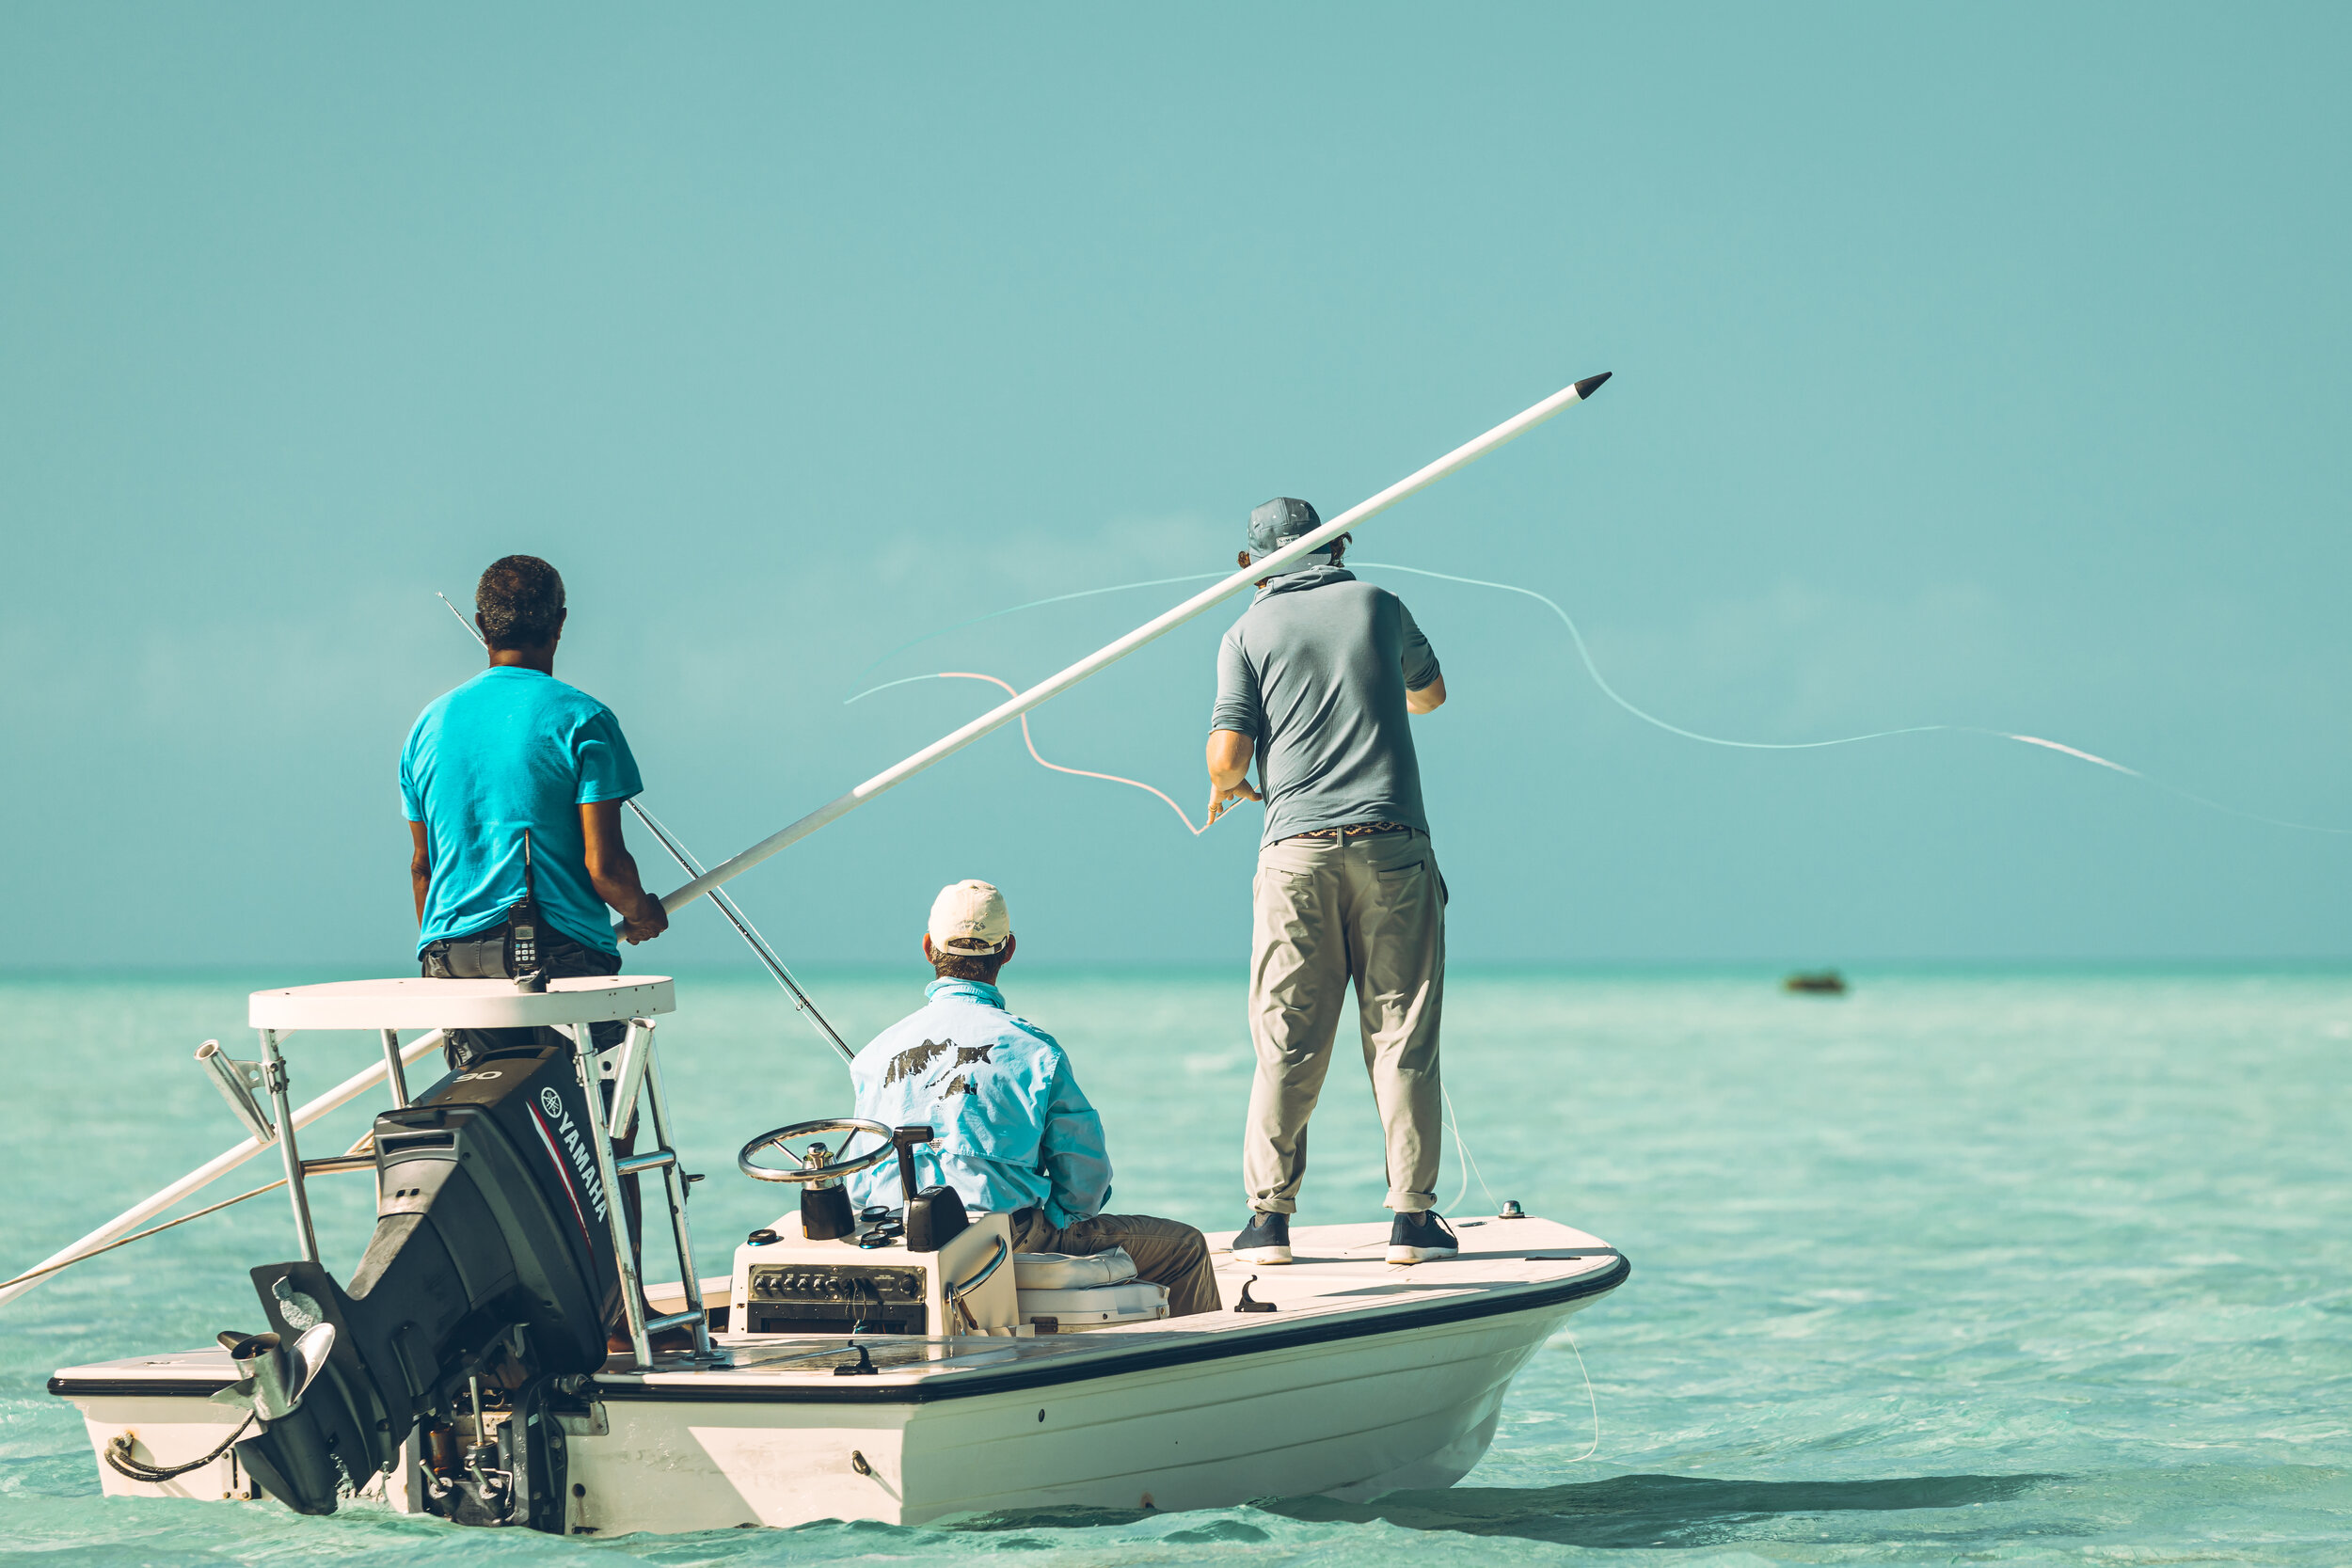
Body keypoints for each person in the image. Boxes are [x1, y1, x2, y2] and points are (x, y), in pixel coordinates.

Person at [1206, 498, 1456, 1266]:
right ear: (1335, 545)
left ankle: (1268, 1222)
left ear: (1254, 564)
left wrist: (1235, 786)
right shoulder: (1381, 604)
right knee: (1401, 1036)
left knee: (1286, 1039)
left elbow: (1226, 757)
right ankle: (1412, 1222)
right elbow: (1431, 694)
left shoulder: (1245, 631)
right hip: (1392, 846)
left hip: (1298, 850)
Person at [844, 880, 1222, 1318]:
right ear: (1008, 950)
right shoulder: (1036, 1051)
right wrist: (1060, 1220)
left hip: (895, 1241)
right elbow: (1085, 1181)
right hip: (1004, 1241)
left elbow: (860, 1183)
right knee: (1186, 1247)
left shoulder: (874, 1054)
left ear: (929, 948)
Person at [401, 554, 669, 1070]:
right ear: (561, 622)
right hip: (556, 956)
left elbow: (423, 868)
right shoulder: (583, 719)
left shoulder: (426, 727)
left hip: (450, 961)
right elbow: (605, 868)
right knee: (603, 1125)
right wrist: (640, 915)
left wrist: (445, 955)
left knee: (493, 1109)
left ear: (482, 624)